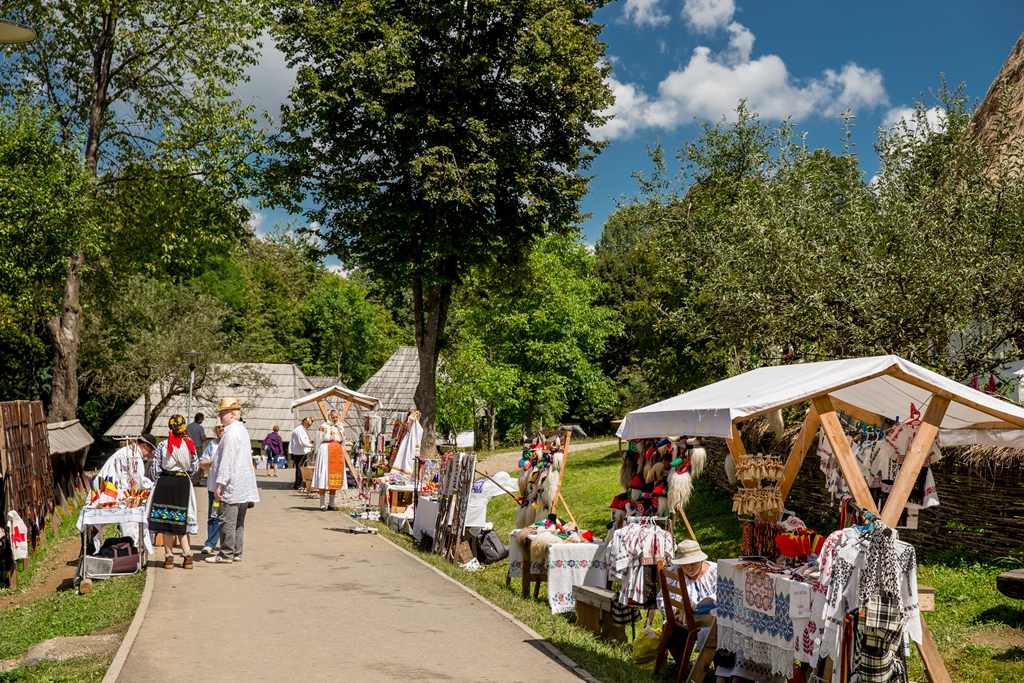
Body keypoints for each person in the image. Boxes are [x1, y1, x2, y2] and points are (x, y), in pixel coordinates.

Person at [206, 397, 259, 564]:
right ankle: (237, 552)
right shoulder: (242, 431)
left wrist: (220, 485)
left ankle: (226, 554)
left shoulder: (231, 434)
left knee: (227, 521)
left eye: (223, 413)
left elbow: (227, 462)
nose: (220, 416)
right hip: (243, 485)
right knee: (238, 523)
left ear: (233, 414)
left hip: (232, 485)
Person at [146, 415, 199, 569]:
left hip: (165, 483)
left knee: (166, 520)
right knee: (181, 519)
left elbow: (155, 470)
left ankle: (169, 558)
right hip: (183, 483)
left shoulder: (163, 445)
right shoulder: (190, 445)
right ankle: (187, 556)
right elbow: (194, 468)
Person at [90, 434, 156, 552]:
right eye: (150, 451)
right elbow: (137, 481)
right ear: (144, 446)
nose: (150, 454)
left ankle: (93, 551)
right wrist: (153, 485)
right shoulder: (134, 455)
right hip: (107, 492)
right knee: (129, 519)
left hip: (106, 490)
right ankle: (132, 551)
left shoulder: (129, 451)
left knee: (97, 524)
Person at [312, 409, 347, 511]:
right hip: (326, 452)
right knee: (324, 475)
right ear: (329, 417)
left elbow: (343, 441)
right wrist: (317, 452)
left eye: (336, 417)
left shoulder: (341, 428)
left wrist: (343, 451)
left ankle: (331, 503)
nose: (335, 419)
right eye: (333, 417)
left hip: (337, 452)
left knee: (335, 476)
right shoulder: (324, 427)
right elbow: (317, 440)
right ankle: (322, 503)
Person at [199, 424, 225, 554]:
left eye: (223, 427)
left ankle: (229, 545)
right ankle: (210, 543)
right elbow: (202, 463)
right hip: (214, 488)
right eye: (218, 427)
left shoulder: (233, 443)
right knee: (213, 514)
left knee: (229, 517)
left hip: (230, 489)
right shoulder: (212, 445)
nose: (221, 429)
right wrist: (211, 462)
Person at [289, 416, 314, 490]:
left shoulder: (302, 429)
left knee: (301, 467)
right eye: (308, 425)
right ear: (304, 423)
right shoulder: (300, 430)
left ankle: (300, 483)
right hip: (299, 452)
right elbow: (302, 442)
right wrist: (311, 445)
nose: (309, 426)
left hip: (301, 451)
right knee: (300, 468)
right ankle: (298, 485)